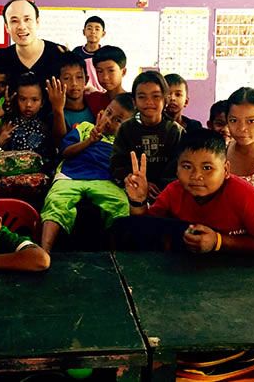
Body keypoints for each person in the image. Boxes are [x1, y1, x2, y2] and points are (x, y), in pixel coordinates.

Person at [118, 129, 254, 254]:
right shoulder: (174, 192)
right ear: (176, 169)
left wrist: (219, 242)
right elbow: (144, 232)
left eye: (207, 168)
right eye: (186, 166)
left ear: (226, 170)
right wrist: (138, 201)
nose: (196, 176)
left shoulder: (245, 196)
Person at [40, 93, 135, 252]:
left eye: (118, 120)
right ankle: (44, 251)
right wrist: (89, 141)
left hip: (105, 181)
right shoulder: (85, 127)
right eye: (108, 113)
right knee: (55, 202)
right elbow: (65, 152)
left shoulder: (124, 142)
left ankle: (118, 256)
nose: (109, 121)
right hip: (70, 176)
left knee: (122, 205)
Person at [110, 71, 183, 201]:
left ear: (165, 99)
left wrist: (160, 186)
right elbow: (117, 165)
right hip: (132, 188)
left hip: (168, 191)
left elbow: (180, 167)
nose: (149, 101)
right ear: (134, 102)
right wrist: (141, 183)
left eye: (156, 96)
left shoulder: (175, 131)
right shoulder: (126, 129)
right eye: (142, 97)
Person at [0, 0, 67, 89]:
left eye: (27, 19)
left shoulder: (60, 54)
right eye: (14, 21)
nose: (22, 26)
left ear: (37, 22)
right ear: (7, 27)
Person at [0, 72, 51, 162]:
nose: (28, 105)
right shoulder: (8, 127)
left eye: (34, 100)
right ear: (16, 99)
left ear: (42, 102)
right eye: (23, 99)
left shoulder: (45, 128)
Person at [46, 52, 94, 146]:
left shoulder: (94, 106)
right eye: (67, 78)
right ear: (57, 82)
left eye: (79, 77)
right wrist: (58, 110)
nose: (74, 83)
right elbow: (60, 144)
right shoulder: (55, 115)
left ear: (86, 80)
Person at [85, 45, 128, 117]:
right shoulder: (94, 99)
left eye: (111, 70)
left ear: (123, 72)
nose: (105, 77)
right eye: (100, 71)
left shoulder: (132, 102)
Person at [73, 16, 106, 92]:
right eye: (89, 28)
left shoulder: (105, 53)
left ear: (103, 34)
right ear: (84, 32)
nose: (93, 32)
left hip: (101, 94)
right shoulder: (77, 52)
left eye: (97, 29)